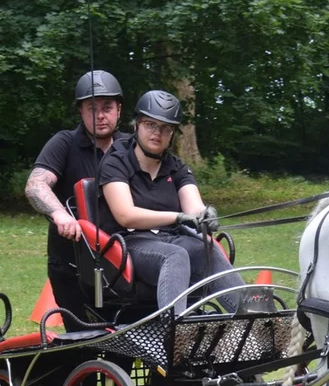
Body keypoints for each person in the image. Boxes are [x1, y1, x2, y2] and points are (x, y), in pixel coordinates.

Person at [97, 90, 242, 313]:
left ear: (172, 133)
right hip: (129, 243)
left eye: (165, 128)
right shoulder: (115, 162)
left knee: (207, 249)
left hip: (171, 239)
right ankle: (176, 328)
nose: (157, 133)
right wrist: (177, 217)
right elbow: (125, 215)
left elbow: (194, 205)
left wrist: (204, 214)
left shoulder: (176, 166)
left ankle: (256, 318)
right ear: (136, 125)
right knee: (176, 255)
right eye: (150, 124)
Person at [25, 70, 128, 322]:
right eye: (92, 108)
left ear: (119, 110)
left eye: (107, 107)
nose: (101, 115)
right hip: (72, 267)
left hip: (123, 263)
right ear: (80, 112)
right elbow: (35, 185)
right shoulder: (64, 143)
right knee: (82, 340)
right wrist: (59, 214)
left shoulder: (132, 146)